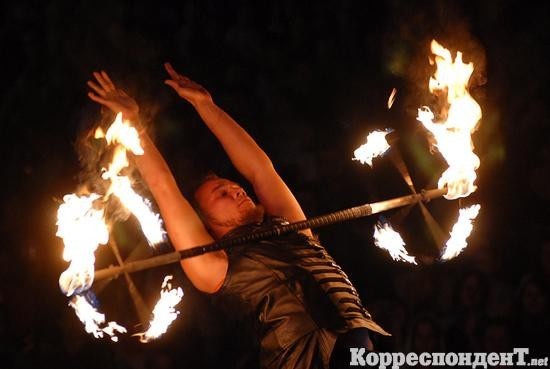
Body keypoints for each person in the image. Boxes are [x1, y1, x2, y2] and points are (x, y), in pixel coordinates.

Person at [87, 64, 389, 369]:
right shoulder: (216, 267)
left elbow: (260, 169)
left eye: (235, 187)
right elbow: (164, 188)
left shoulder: (291, 227)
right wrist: (132, 123)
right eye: (222, 194)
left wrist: (206, 106)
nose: (237, 192)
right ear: (206, 223)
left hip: (361, 344)